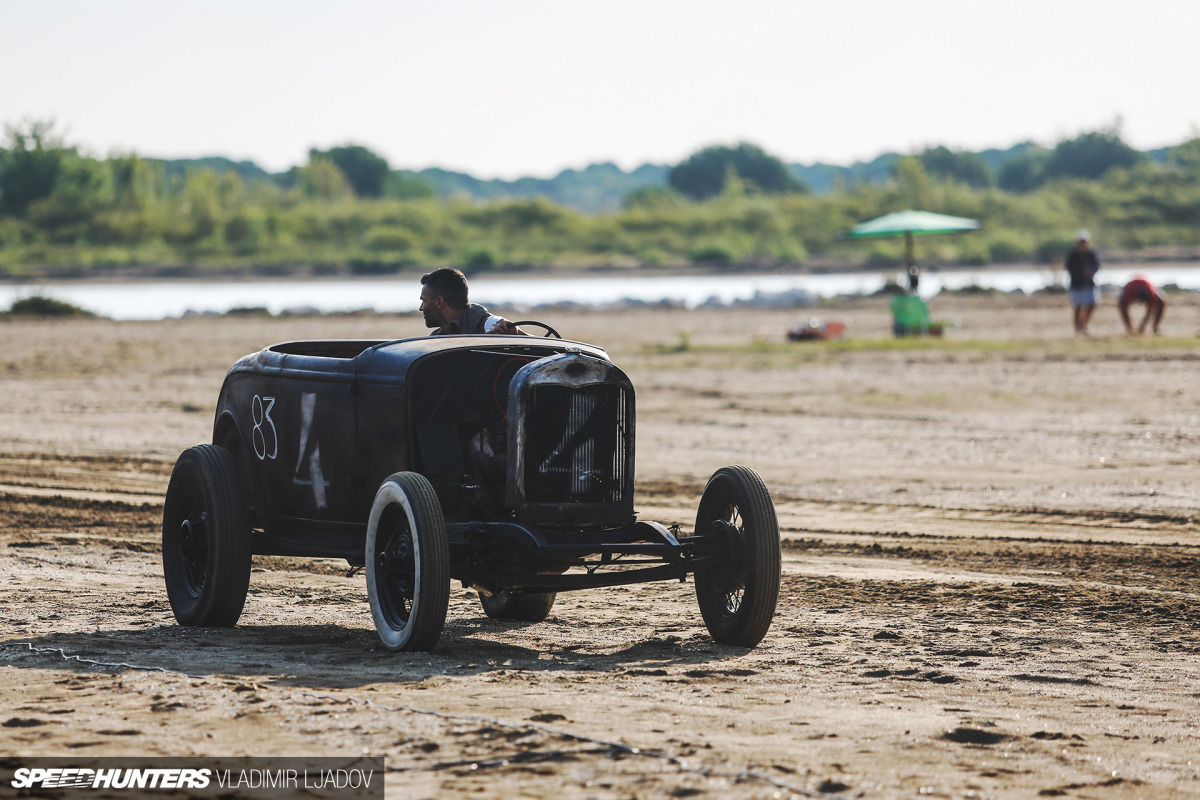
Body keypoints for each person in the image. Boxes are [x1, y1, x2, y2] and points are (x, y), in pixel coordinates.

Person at [419, 268, 524, 335]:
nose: (421, 308)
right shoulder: (436, 339)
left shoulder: (488, 326)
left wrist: (514, 333)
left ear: (439, 302)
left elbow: (538, 346)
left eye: (423, 301)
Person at [1065, 229, 1100, 335]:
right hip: (1077, 284)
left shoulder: (1091, 254)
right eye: (1081, 242)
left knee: (1093, 304)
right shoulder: (1073, 255)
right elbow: (1070, 268)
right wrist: (1081, 273)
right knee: (1078, 307)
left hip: (1089, 283)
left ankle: (1084, 324)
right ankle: (1077, 328)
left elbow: (1096, 266)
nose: (1083, 244)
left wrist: (1090, 272)